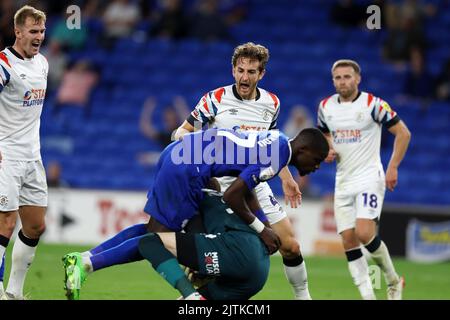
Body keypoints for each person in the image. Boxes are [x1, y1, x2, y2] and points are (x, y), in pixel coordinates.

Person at [63, 127, 329, 300]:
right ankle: (86, 264)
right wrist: (262, 229)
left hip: (178, 153)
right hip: (188, 168)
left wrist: (214, 175)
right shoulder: (277, 157)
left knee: (153, 231)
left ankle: (84, 259)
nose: (315, 167)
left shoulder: (277, 137)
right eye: (316, 161)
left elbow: (235, 162)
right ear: (303, 150)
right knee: (156, 240)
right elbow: (232, 195)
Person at [174, 42, 312, 299]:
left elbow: (270, 146)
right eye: (240, 70)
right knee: (215, 263)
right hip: (216, 185)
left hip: (254, 183)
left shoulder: (272, 103)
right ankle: (194, 297)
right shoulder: (214, 99)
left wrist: (287, 178)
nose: (244, 77)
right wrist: (193, 151)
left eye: (251, 72)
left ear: (261, 74)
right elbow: (181, 131)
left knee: (291, 246)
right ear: (233, 70)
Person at [317, 59, 411, 300]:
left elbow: (403, 132)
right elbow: (324, 134)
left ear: (357, 79)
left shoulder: (373, 104)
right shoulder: (325, 107)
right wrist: (327, 148)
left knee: (364, 233)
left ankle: (392, 281)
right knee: (348, 241)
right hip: (343, 181)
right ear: (333, 80)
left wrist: (393, 167)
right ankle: (368, 298)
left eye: (347, 77)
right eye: (338, 77)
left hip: (369, 177)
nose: (342, 81)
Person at [139, 186, 270, 300]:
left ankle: (192, 296)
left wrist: (199, 268)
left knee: (149, 242)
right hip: (259, 271)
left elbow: (195, 235)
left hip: (236, 250)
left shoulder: (189, 200)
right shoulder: (218, 200)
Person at [0, 5, 49, 300]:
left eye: (42, 31)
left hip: (33, 156)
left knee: (35, 226)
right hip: (7, 156)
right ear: (17, 32)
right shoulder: (4, 64)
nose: (39, 36)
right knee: (5, 223)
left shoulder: (43, 63)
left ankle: (15, 292)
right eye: (33, 31)